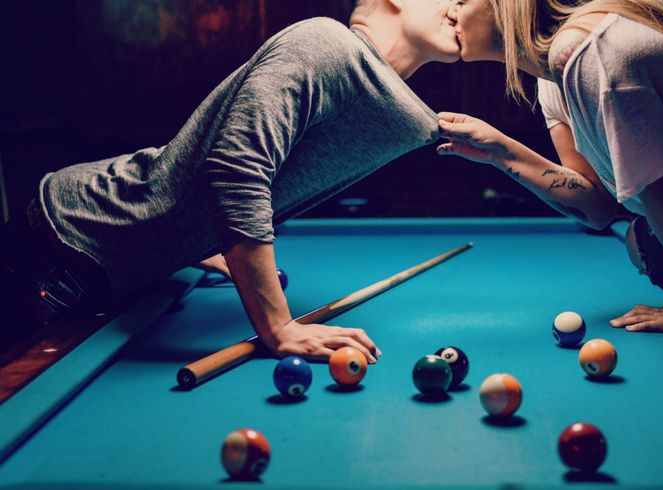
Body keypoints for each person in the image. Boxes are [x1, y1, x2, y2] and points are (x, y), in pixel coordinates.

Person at [0, 0, 461, 357]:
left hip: (85, 249)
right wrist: (279, 327)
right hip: (61, 249)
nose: (462, 6)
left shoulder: (375, 87)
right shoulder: (329, 43)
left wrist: (196, 242)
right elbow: (235, 166)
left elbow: (201, 172)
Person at [438, 0, 663, 333]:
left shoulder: (585, 51)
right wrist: (500, 151)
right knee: (644, 244)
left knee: (652, 250)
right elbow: (597, 207)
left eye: (461, 1)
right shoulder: (553, 77)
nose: (449, 10)